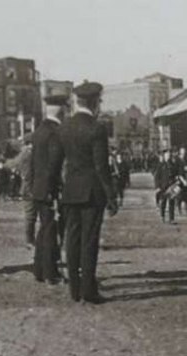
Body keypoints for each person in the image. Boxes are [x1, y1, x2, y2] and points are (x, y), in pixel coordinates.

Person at [50, 81, 118, 304]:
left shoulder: (63, 127)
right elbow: (101, 167)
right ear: (94, 102)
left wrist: (55, 191)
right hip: (92, 193)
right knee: (89, 241)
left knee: (72, 239)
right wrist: (111, 195)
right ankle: (88, 290)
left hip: (70, 191)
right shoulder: (97, 128)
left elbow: (55, 164)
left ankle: (74, 289)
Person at [30, 93, 69, 285]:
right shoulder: (55, 132)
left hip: (39, 189)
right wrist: (56, 190)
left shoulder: (39, 130)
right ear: (62, 110)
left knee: (43, 229)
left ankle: (39, 269)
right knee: (50, 231)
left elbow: (34, 164)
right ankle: (50, 273)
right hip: (50, 190)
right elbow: (54, 165)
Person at [154, 149, 180, 224]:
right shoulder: (160, 165)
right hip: (163, 186)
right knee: (163, 202)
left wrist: (176, 180)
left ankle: (171, 218)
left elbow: (176, 174)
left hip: (171, 186)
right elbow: (157, 177)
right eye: (166, 155)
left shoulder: (173, 164)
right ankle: (162, 216)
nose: (168, 156)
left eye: (169, 155)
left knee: (172, 202)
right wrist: (157, 187)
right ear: (164, 156)